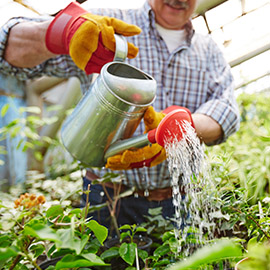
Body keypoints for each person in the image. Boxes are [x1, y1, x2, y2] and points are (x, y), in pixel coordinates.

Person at [0, 0, 240, 232]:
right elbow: (7, 53)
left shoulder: (208, 51)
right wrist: (62, 32)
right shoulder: (106, 26)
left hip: (175, 199)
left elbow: (227, 111)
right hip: (106, 198)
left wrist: (183, 125)